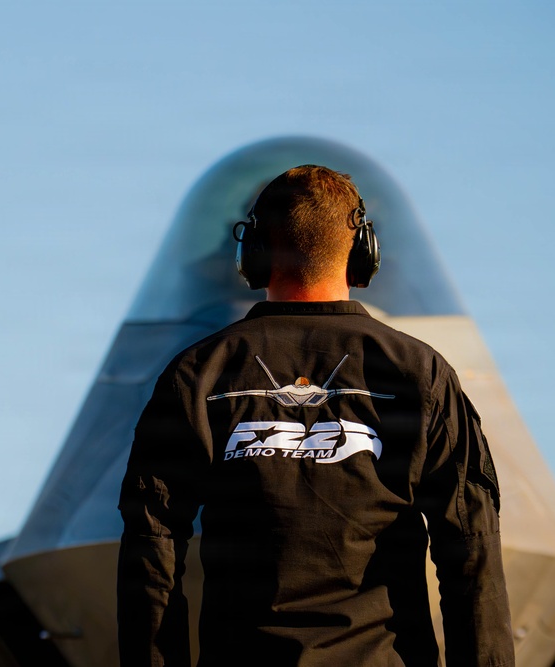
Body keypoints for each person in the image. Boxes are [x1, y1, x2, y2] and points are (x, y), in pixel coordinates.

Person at [117, 166, 513, 666]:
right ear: (363, 254)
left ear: (253, 254)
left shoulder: (198, 376)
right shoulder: (421, 375)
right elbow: (470, 549)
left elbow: (151, 548)